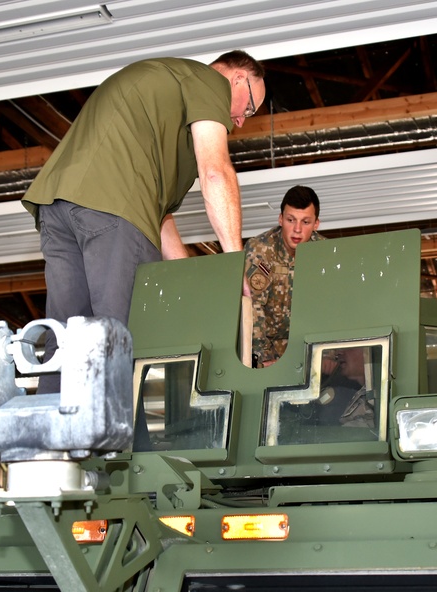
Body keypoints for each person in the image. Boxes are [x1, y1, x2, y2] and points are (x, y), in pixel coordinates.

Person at [23, 51, 265, 393]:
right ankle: (116, 443)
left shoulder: (165, 90)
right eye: (250, 107)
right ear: (238, 78)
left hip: (60, 205)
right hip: (114, 206)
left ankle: (54, 438)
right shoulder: (210, 82)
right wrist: (234, 261)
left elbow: (158, 215)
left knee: (66, 335)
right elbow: (216, 173)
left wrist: (190, 280)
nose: (242, 120)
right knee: (121, 333)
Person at [244, 185, 323, 367]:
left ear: (316, 224)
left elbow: (331, 309)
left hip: (308, 348)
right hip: (266, 347)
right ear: (280, 219)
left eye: (305, 222)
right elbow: (253, 307)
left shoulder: (324, 254)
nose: (297, 229)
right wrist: (262, 361)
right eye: (290, 220)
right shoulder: (261, 250)